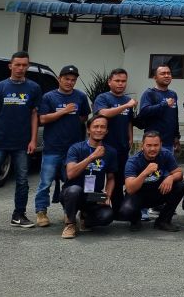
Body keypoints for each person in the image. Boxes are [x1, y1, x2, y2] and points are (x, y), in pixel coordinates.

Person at [0, 51, 42, 233]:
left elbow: (35, 115)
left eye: (24, 65)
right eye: (17, 64)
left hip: (22, 143)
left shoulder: (34, 88)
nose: (20, 68)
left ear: (28, 66)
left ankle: (18, 215)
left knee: (22, 181)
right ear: (10, 66)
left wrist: (33, 140)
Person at [34, 65, 91, 227]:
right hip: (52, 147)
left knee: (72, 183)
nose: (70, 82)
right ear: (59, 79)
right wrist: (64, 112)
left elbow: (84, 117)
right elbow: (43, 119)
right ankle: (41, 211)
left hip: (73, 150)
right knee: (45, 182)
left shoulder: (80, 96)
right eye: (66, 79)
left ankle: (70, 212)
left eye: (73, 80)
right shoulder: (49, 97)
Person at [60, 114, 117, 239]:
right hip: (71, 192)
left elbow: (111, 178)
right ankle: (70, 223)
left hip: (93, 194)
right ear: (88, 129)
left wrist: (107, 194)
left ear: (106, 131)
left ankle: (85, 219)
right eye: (95, 126)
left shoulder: (111, 151)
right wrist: (92, 157)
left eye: (103, 127)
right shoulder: (76, 148)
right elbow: (70, 173)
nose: (99, 130)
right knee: (75, 190)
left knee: (108, 215)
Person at [91, 68, 136, 214]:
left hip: (121, 146)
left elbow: (129, 121)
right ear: (109, 82)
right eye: (117, 81)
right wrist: (126, 106)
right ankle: (90, 211)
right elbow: (103, 113)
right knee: (96, 178)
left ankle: (117, 210)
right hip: (103, 146)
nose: (121, 84)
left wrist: (130, 138)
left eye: (123, 81)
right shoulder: (103, 98)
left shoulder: (126, 100)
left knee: (117, 179)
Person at [121, 130, 184, 232]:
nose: (152, 149)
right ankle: (135, 219)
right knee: (126, 211)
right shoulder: (133, 161)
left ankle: (163, 221)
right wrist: (145, 172)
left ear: (160, 145)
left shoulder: (166, 154)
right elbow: (130, 188)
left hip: (158, 191)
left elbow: (179, 173)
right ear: (142, 145)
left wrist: (171, 177)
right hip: (139, 194)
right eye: (149, 145)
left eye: (156, 145)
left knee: (180, 186)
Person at [137, 65, 180, 151]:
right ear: (155, 78)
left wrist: (176, 136)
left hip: (169, 143)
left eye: (169, 73)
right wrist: (164, 104)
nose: (167, 75)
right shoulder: (149, 93)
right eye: (163, 74)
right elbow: (144, 111)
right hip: (153, 143)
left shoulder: (173, 94)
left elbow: (174, 116)